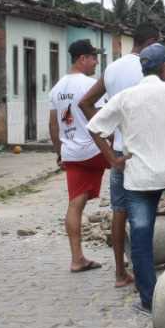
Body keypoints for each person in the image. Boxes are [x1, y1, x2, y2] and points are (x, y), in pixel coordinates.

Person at [87, 43, 165, 316]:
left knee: (142, 238)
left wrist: (113, 160)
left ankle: (149, 300)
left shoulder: (125, 97)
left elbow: (94, 127)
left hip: (139, 180)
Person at [79, 23, 156, 289]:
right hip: (145, 154)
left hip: (120, 154)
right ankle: (144, 274)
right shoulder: (150, 68)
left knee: (120, 212)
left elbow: (85, 103)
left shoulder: (112, 69)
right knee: (144, 212)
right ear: (151, 42)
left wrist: (109, 134)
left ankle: (120, 274)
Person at [48, 39, 105, 274]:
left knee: (75, 204)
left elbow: (53, 124)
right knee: (131, 180)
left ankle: (77, 259)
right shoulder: (90, 85)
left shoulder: (57, 88)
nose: (96, 62)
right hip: (96, 150)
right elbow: (104, 117)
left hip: (71, 152)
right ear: (82, 58)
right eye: (93, 58)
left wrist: (59, 152)